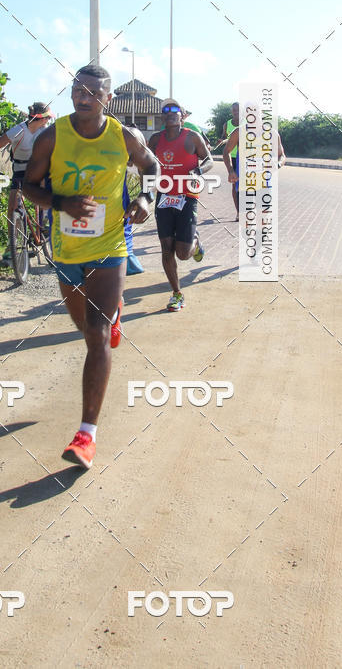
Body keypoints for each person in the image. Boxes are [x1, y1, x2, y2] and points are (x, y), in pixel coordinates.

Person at [22, 64, 160, 469]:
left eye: (92, 92)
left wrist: (146, 200)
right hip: (66, 250)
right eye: (77, 91)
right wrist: (60, 203)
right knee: (85, 329)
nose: (83, 98)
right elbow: (28, 186)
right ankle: (113, 318)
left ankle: (86, 436)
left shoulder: (125, 136)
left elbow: (152, 169)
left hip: (109, 244)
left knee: (97, 336)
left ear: (108, 98)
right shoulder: (52, 136)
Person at [148, 99, 214, 313]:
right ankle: (177, 293)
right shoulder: (156, 139)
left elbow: (209, 159)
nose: (170, 113)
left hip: (187, 195)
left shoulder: (192, 137)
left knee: (183, 253)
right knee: (166, 248)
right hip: (164, 196)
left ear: (182, 115)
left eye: (174, 110)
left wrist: (199, 171)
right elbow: (147, 164)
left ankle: (195, 242)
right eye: (165, 110)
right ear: (162, 117)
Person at [0, 102, 54, 258]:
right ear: (41, 119)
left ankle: (43, 223)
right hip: (20, 171)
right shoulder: (19, 131)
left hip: (38, 170)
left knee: (45, 194)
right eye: (48, 118)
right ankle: (12, 244)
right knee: (13, 206)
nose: (49, 121)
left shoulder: (45, 133)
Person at [223, 126, 286, 191]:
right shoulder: (238, 132)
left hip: (264, 184)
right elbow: (226, 152)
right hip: (244, 184)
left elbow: (281, 155)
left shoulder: (272, 133)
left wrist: (278, 164)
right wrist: (230, 171)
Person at [123, 123, 148, 274]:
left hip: (120, 195)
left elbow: (144, 168)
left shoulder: (134, 140)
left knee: (124, 223)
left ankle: (127, 262)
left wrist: (144, 196)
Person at [219, 103, 239, 220]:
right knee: (234, 185)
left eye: (238, 110)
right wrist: (222, 140)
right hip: (232, 157)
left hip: (245, 157)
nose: (236, 112)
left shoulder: (247, 123)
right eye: (234, 110)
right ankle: (238, 212)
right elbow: (224, 137)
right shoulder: (227, 124)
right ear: (231, 112)